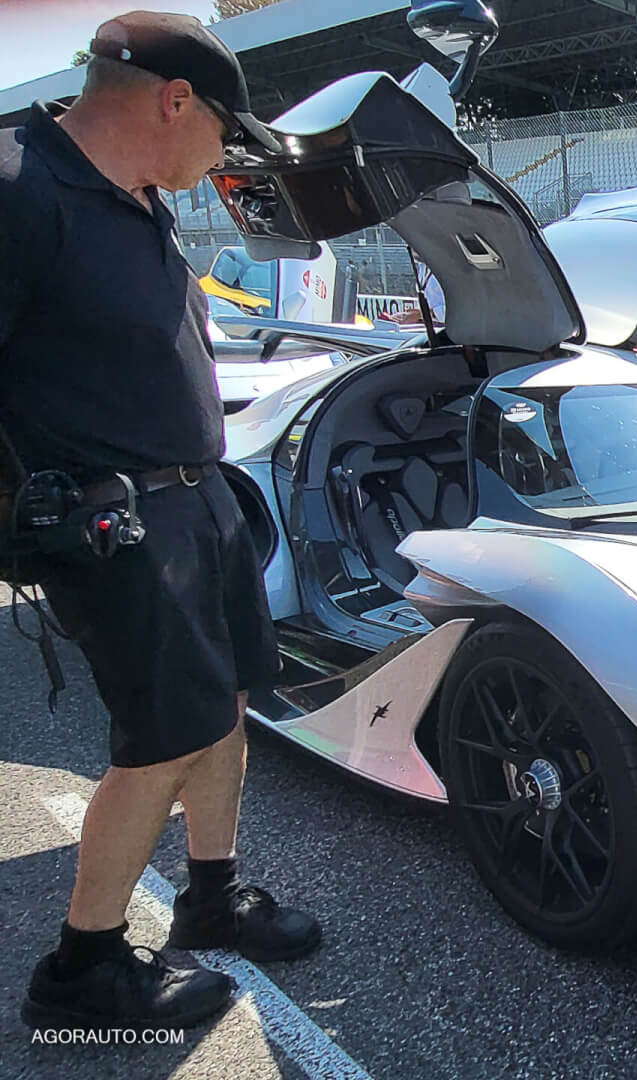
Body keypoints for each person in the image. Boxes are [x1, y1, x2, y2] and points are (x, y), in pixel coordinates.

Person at [1, 12, 322, 1034]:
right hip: (114, 519)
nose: (224, 156)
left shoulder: (137, 195)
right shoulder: (18, 188)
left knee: (225, 704)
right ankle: (82, 970)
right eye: (224, 131)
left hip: (196, 499)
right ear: (174, 101)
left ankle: (211, 896)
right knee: (161, 741)